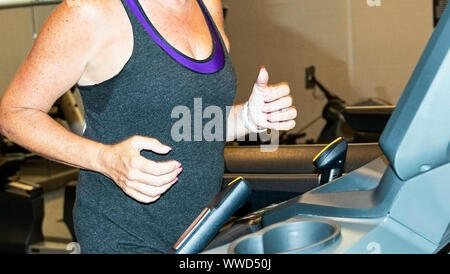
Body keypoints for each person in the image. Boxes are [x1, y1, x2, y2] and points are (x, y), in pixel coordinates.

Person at [0, 0, 297, 253]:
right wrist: (105, 159)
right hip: (124, 235)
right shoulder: (90, 11)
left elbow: (187, 122)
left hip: (202, 230)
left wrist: (247, 118)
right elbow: (14, 114)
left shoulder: (207, 4)